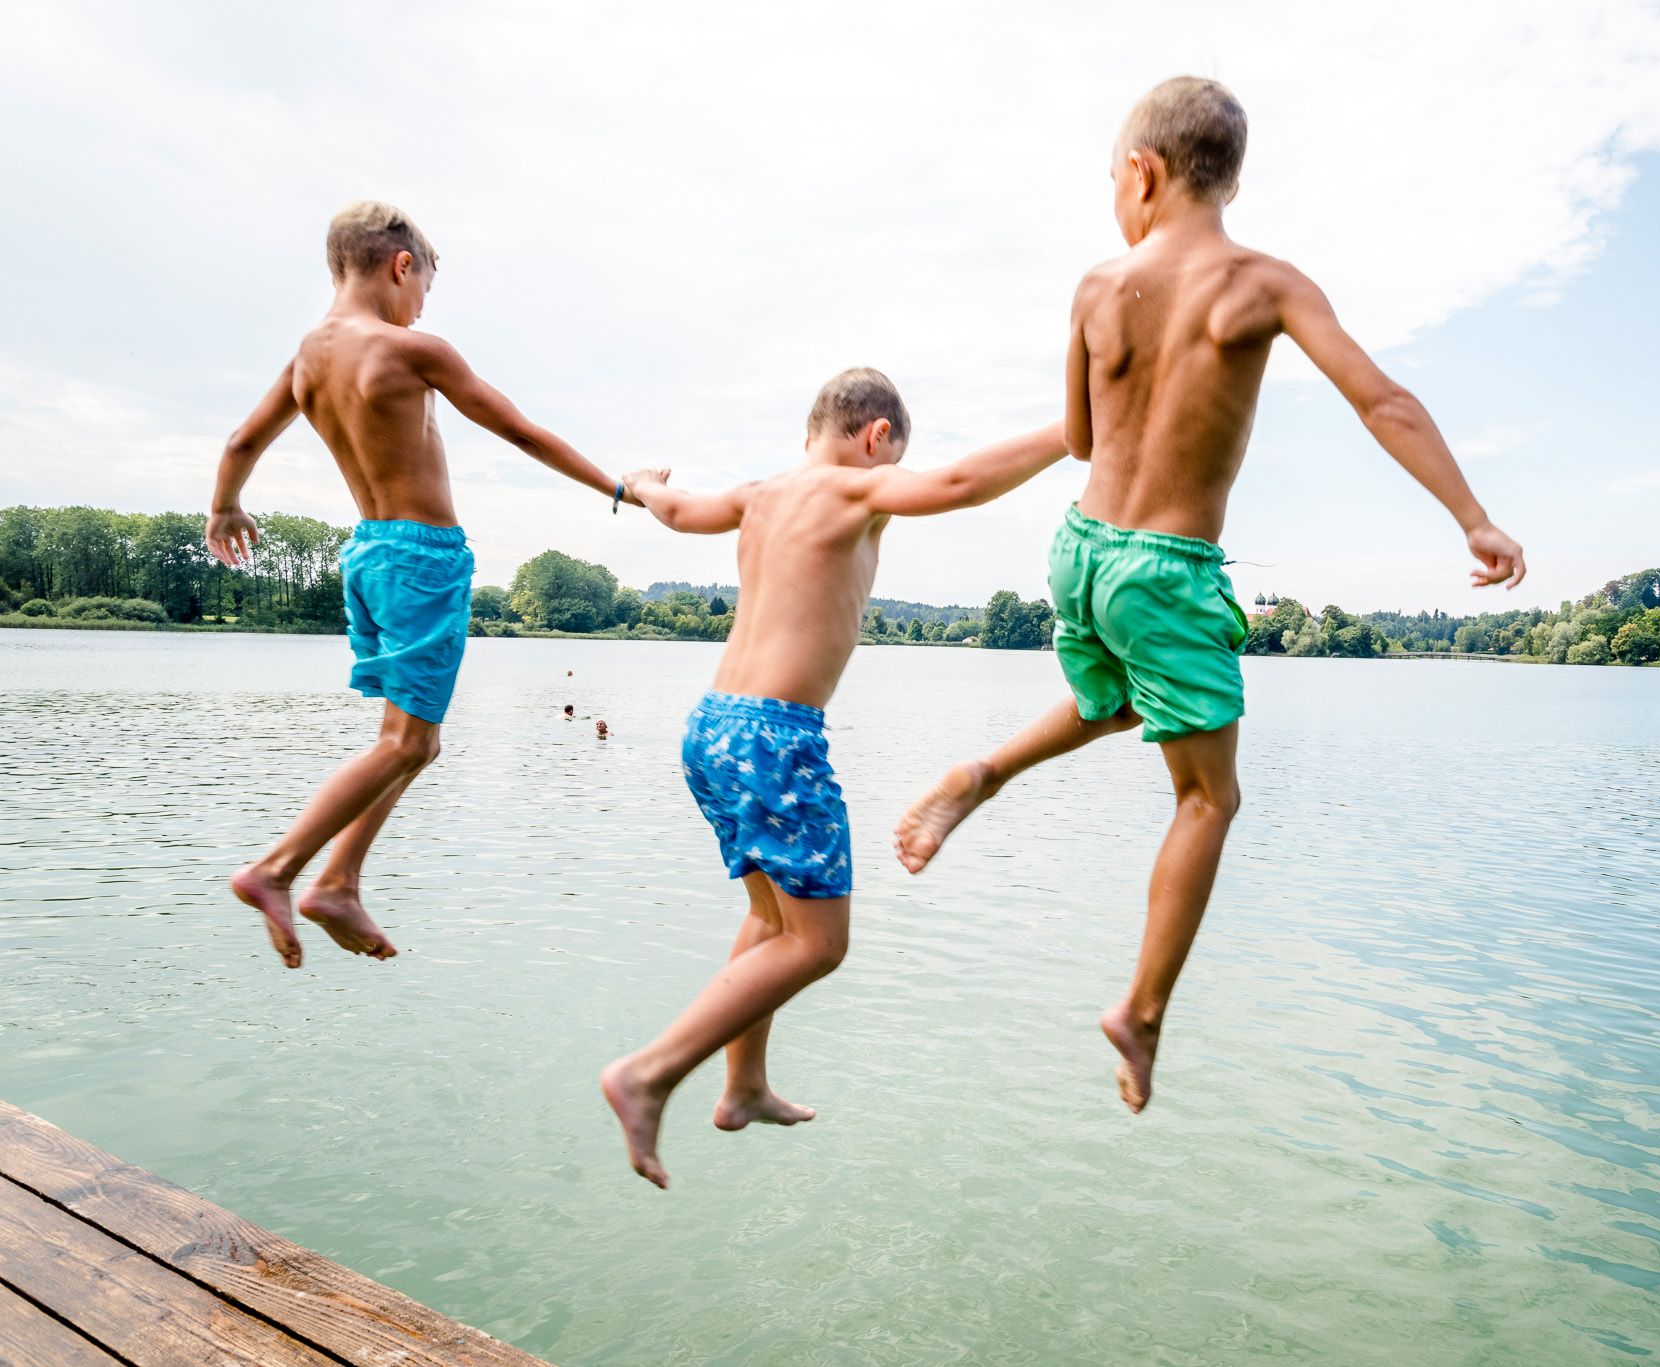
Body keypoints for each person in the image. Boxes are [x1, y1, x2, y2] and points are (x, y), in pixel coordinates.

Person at [893, 78, 1527, 1115]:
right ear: (1225, 175)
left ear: (1140, 172)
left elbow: (1086, 440)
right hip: (1168, 569)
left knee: (1114, 700)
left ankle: (982, 770)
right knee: (1206, 795)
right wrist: (1472, 516)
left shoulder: (1095, 286)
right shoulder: (1264, 285)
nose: (1112, 198)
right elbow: (1382, 399)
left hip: (1079, 550)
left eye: (1111, 180)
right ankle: (1140, 1010)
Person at [599, 368, 1066, 1188]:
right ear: (876, 437)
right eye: (893, 460)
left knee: (773, 921)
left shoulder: (756, 495)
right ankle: (650, 1072)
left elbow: (675, 510)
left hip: (710, 729)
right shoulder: (854, 493)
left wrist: (636, 486)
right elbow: (960, 483)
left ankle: (743, 1085)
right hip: (777, 736)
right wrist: (1074, 430)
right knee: (821, 944)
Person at [207, 201, 633, 969]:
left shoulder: (308, 357)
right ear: (402, 265)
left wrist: (225, 505)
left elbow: (242, 440)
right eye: (424, 289)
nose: (422, 308)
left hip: (365, 554)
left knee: (412, 743)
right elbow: (522, 430)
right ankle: (278, 869)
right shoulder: (413, 351)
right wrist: (616, 487)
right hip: (422, 556)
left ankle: (338, 876)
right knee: (408, 741)